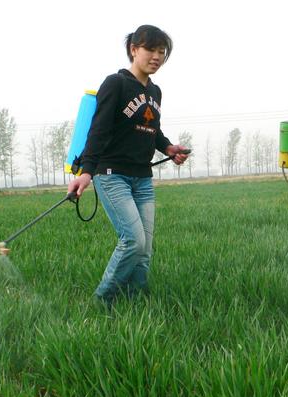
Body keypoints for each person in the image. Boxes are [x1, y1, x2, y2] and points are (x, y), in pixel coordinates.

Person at [68, 25, 189, 306]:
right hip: (112, 175)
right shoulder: (116, 83)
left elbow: (152, 129)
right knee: (133, 240)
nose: (157, 57)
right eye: (151, 49)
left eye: (162, 52)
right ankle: (102, 299)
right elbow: (99, 130)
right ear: (134, 49)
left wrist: (169, 148)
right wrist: (86, 172)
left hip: (142, 178)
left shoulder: (155, 92)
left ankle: (137, 301)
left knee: (145, 249)